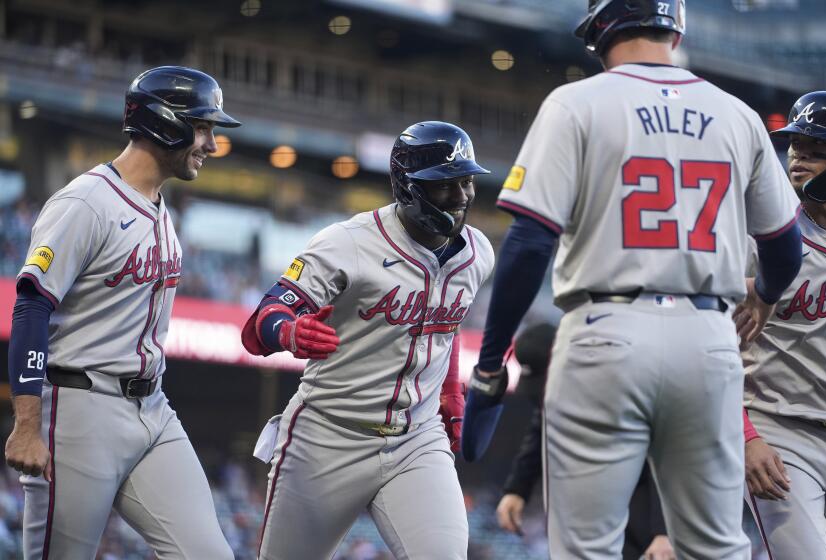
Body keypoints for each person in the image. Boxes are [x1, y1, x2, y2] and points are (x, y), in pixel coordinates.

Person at [462, 0, 804, 557]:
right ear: (677, 28)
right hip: (708, 337)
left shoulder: (577, 103)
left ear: (599, 31)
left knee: (586, 548)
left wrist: (490, 362)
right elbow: (785, 246)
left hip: (606, 329)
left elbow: (528, 244)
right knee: (716, 547)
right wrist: (762, 297)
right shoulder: (736, 113)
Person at [4, 66, 239, 559]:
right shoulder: (86, 203)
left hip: (153, 410)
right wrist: (26, 424)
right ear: (165, 122)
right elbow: (30, 307)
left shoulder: (157, 204)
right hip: (79, 411)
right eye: (203, 127)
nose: (212, 144)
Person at [241, 121, 495, 560]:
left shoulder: (478, 254)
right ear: (409, 188)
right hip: (328, 436)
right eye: (446, 186)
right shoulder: (348, 243)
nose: (461, 197)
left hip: (417, 438)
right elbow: (260, 321)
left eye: (466, 182)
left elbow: (443, 323)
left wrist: (451, 392)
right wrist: (289, 330)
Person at [742, 91, 826, 560]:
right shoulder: (762, 236)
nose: (799, 157)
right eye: (795, 146)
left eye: (817, 149)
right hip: (780, 429)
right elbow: (710, 344)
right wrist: (744, 435)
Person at [495, 324, 675, 560]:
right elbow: (542, 427)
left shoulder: (621, 379)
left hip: (643, 493)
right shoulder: (558, 394)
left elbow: (664, 455)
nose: (546, 397)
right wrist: (517, 488)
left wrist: (665, 531)